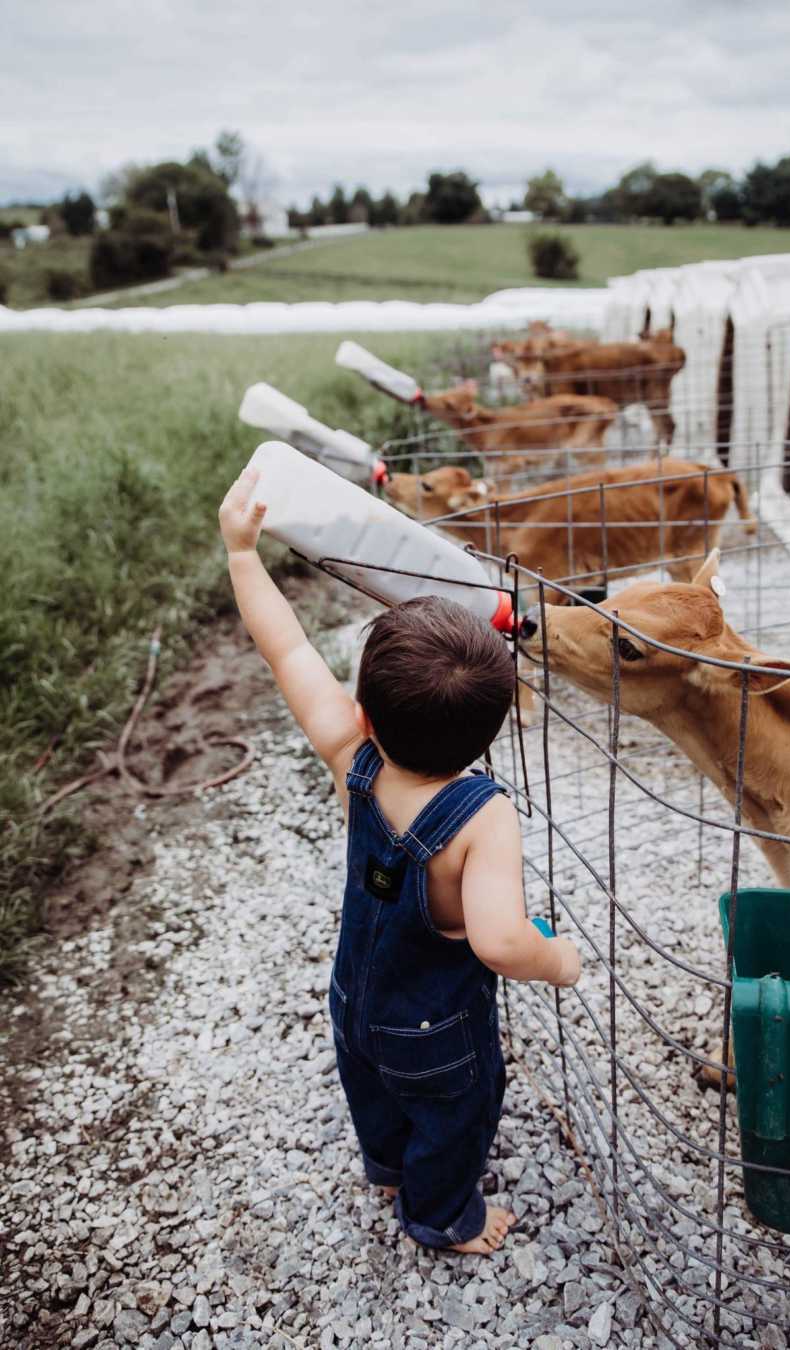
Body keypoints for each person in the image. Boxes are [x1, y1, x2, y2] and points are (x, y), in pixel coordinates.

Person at [219, 465, 582, 1255]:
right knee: (458, 1112)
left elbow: (286, 653)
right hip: (439, 1029)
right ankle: (446, 1215)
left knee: (372, 1088)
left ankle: (385, 1162)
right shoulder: (484, 818)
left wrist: (244, 555)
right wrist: (556, 959)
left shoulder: (351, 754)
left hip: (354, 996)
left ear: (362, 711)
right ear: (489, 734)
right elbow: (498, 941)